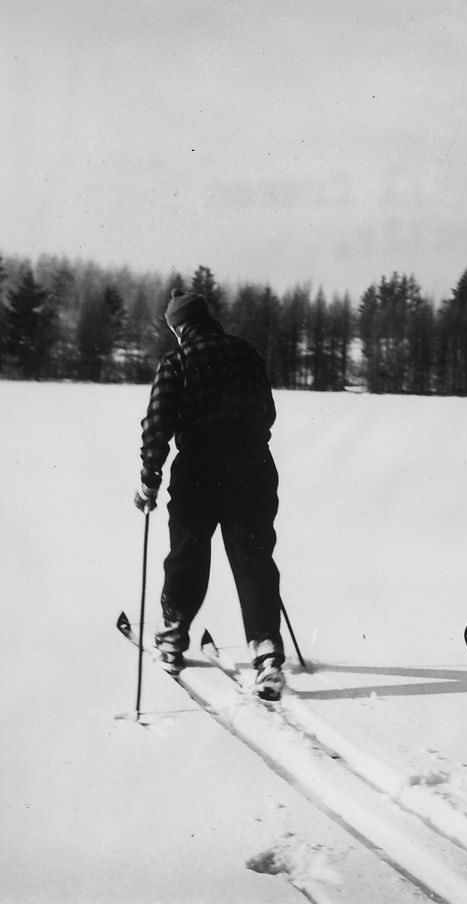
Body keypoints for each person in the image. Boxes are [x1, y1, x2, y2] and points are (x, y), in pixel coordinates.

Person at [133, 290, 287, 700]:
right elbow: (267, 411)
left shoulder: (177, 362)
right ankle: (267, 651)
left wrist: (149, 477)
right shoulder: (247, 353)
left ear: (179, 327)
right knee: (254, 557)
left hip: (198, 471)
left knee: (187, 553)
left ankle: (172, 636)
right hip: (252, 468)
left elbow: (158, 424)